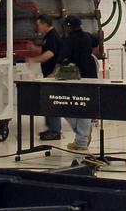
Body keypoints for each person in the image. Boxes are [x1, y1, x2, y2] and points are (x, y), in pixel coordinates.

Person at [21, 14, 64, 141]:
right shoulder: (49, 37)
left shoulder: (52, 36)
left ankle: (55, 131)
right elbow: (47, 50)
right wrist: (35, 48)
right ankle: (51, 128)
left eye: (39, 25)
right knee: (47, 102)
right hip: (48, 75)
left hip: (52, 75)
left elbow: (50, 54)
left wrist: (33, 60)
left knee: (51, 103)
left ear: (45, 24)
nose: (37, 28)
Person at [61, 14, 97, 151]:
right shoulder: (88, 36)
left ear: (68, 27)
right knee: (84, 107)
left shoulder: (69, 40)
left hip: (75, 77)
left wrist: (54, 74)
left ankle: (82, 137)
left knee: (65, 106)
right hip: (91, 76)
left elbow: (63, 59)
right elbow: (97, 44)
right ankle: (81, 140)